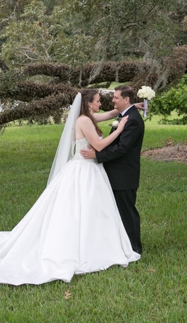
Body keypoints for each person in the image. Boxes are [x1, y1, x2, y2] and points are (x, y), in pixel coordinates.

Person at [0, 89, 140, 285]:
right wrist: (120, 129)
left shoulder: (87, 117)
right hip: (84, 170)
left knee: (92, 210)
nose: (101, 104)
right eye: (98, 101)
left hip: (91, 171)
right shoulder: (84, 121)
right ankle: (82, 248)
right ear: (88, 104)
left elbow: (109, 115)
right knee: (78, 209)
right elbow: (100, 145)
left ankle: (96, 242)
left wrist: (130, 109)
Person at [80, 85, 145, 254]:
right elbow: (109, 115)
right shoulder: (125, 115)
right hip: (114, 173)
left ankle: (134, 247)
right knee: (116, 211)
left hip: (124, 175)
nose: (112, 100)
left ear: (126, 99)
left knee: (127, 211)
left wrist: (97, 155)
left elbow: (122, 149)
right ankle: (119, 244)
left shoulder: (132, 120)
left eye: (116, 97)